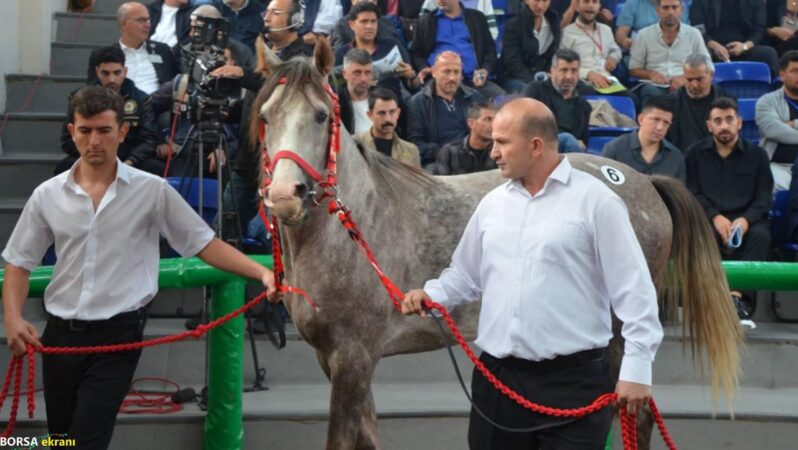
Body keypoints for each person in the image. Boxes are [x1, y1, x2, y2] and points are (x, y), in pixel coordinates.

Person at [1, 86, 277, 450]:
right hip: (60, 336)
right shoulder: (47, 194)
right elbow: (19, 262)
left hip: (119, 335)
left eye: (104, 130)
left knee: (85, 442)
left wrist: (261, 272)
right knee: (62, 440)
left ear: (123, 132)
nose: (94, 140)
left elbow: (203, 244)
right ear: (72, 132)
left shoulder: (153, 190)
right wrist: (13, 317)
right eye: (85, 131)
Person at [402, 97, 663, 450]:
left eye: (502, 142)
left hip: (574, 383)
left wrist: (636, 368)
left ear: (536, 145)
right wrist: (435, 295)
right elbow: (464, 274)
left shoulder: (597, 202)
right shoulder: (493, 204)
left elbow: (635, 291)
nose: (493, 152)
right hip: (498, 382)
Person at [686, 96, 773, 274]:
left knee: (761, 237)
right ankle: (710, 297)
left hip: (747, 219)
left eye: (729, 119)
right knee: (702, 235)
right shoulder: (694, 154)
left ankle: (739, 295)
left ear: (739, 123)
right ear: (709, 126)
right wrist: (715, 217)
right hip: (709, 218)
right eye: (718, 121)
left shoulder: (758, 155)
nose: (724, 126)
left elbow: (763, 197)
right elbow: (692, 192)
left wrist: (745, 221)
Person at [57, 46, 163, 177]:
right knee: (64, 167)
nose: (112, 79)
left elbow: (149, 139)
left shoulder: (141, 99)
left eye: (117, 73)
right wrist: (93, 157)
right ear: (97, 72)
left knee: (156, 167)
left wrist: (130, 162)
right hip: (91, 155)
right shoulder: (78, 98)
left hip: (129, 159)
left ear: (125, 71)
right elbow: (67, 140)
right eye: (105, 73)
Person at [411, 0, 504, 99]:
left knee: (503, 100)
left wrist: (485, 69)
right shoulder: (426, 21)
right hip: (439, 81)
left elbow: (490, 49)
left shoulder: (477, 18)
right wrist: (424, 67)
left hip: (473, 80)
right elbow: (416, 53)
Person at [406, 51, 483, 169]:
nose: (452, 77)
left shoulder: (475, 98)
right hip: (437, 160)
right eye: (446, 71)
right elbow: (415, 143)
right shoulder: (418, 103)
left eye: (456, 72)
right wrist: (444, 152)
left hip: (472, 157)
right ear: (434, 72)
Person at [629, 0, 713, 103]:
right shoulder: (643, 35)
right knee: (650, 91)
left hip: (686, 83)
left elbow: (708, 66)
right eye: (665, 8)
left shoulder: (694, 34)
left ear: (681, 10)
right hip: (654, 86)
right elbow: (633, 68)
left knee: (690, 92)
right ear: (658, 10)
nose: (670, 12)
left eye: (674, 7)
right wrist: (651, 74)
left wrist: (685, 78)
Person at [88, 2, 180, 94]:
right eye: (141, 20)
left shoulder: (162, 50)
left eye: (148, 20)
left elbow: (176, 83)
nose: (147, 25)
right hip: (119, 104)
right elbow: (94, 90)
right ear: (124, 24)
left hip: (157, 105)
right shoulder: (104, 55)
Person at [333, 2, 418, 94]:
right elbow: (336, 90)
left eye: (373, 21)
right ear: (351, 24)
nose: (369, 26)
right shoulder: (341, 54)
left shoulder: (393, 46)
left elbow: (413, 88)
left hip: (391, 103)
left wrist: (411, 77)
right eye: (364, 21)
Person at [522, 48, 592, 152]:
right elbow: (525, 124)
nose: (569, 76)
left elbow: (583, 142)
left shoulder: (584, 106)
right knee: (568, 139)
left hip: (568, 152)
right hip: (538, 147)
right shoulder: (536, 91)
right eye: (563, 70)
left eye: (574, 71)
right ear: (552, 71)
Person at [602, 96, 685, 180]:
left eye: (666, 123)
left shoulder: (676, 157)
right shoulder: (615, 149)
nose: (660, 127)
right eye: (656, 120)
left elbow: (678, 192)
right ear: (641, 119)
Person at [689, 0, 780, 75]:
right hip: (712, 48)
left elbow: (759, 30)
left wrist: (744, 46)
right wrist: (714, 45)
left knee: (769, 53)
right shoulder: (700, 2)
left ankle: (777, 91)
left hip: (744, 48)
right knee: (701, 56)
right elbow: (698, 29)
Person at [667, 53, 731, 151]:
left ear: (711, 75)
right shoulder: (671, 102)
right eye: (689, 80)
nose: (694, 85)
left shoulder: (727, 100)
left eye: (699, 79)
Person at [561, 0, 624, 93]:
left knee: (632, 99)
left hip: (607, 79)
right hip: (581, 81)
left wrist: (613, 58)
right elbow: (562, 64)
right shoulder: (567, 33)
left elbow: (616, 50)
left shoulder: (606, 30)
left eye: (594, 2)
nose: (590, 5)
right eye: (586, 1)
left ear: (599, 7)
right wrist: (588, 74)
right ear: (577, 6)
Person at [500, 0, 563, 93]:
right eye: (537, 0)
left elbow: (553, 55)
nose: (540, 5)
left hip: (544, 75)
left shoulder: (553, 20)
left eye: (545, 0)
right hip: (517, 77)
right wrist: (534, 82)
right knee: (535, 92)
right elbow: (513, 62)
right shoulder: (514, 25)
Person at [757, 50, 798, 190]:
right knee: (773, 184)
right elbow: (774, 131)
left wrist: (794, 124)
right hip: (779, 166)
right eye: (794, 71)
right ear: (782, 75)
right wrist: (784, 127)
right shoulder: (766, 101)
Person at [353, 87, 421, 167]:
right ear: (370, 115)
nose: (387, 119)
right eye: (381, 113)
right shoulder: (355, 144)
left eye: (392, 112)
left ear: (398, 113)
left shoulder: (411, 151)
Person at [434, 99, 497, 175]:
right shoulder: (449, 152)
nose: (493, 125)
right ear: (471, 123)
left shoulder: (500, 151)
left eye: (495, 120)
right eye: (488, 119)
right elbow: (440, 184)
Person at [615, 0, 689, 51]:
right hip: (643, 50)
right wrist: (625, 41)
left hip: (674, 49)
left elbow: (686, 33)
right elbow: (621, 32)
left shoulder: (677, 4)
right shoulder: (633, 3)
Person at [330, 0, 406, 48]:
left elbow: (403, 55)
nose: (369, 2)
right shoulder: (341, 26)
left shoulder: (390, 23)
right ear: (353, 1)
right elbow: (338, 61)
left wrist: (410, 72)